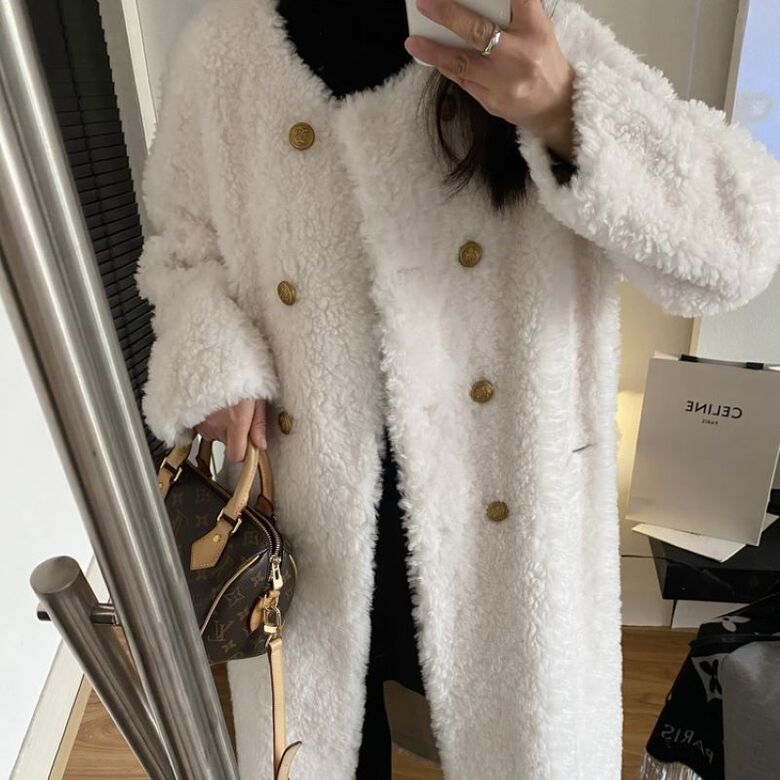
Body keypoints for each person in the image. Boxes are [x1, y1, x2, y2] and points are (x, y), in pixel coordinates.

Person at [134, 0, 780, 777]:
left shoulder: (523, 30)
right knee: (311, 747)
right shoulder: (222, 52)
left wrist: (565, 108)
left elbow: (738, 250)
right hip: (303, 520)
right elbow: (181, 245)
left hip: (506, 529)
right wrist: (213, 361)